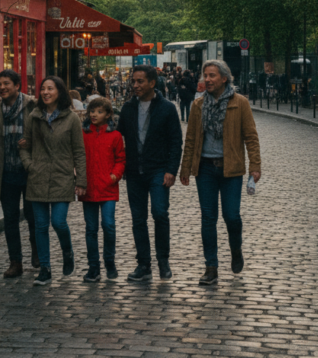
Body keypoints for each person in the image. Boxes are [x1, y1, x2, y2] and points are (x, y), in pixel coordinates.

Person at [180, 60, 262, 286]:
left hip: (231, 168)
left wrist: (255, 165)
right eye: (205, 75)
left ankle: (236, 249)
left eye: (212, 75)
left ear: (224, 78)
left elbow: (251, 137)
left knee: (231, 216)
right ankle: (211, 267)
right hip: (205, 168)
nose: (207, 79)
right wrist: (185, 167)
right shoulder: (198, 106)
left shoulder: (240, 103)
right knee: (208, 218)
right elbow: (191, 140)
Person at [117, 65, 183, 281]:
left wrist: (171, 170)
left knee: (160, 213)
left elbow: (176, 142)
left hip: (158, 170)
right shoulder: (127, 108)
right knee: (138, 218)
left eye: (140, 81)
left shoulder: (167, 108)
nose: (135, 85)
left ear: (152, 83)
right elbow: (118, 139)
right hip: (134, 172)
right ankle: (144, 264)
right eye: (133, 81)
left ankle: (163, 260)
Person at [20, 76, 87, 285]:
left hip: (62, 177)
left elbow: (79, 151)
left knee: (58, 222)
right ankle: (46, 268)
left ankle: (67, 252)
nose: (45, 92)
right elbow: (24, 145)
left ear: (60, 91)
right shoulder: (34, 116)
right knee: (40, 225)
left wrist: (81, 181)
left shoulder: (71, 118)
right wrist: (30, 165)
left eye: (50, 89)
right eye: (43, 89)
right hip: (37, 177)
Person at [0, 69, 38, 278]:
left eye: (7, 84)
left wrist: (32, 142)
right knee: (10, 219)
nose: (3, 88)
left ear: (17, 86)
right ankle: (15, 262)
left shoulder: (32, 106)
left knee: (34, 217)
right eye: (0, 84)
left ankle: (37, 253)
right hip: (6, 173)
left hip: (30, 172)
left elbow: (45, 132)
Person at [81, 97, 126, 282]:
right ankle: (93, 266)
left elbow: (121, 159)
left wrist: (114, 175)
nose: (94, 115)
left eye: (99, 112)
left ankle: (110, 261)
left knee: (108, 225)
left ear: (108, 115)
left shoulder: (115, 136)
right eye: (92, 111)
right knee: (91, 229)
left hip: (108, 188)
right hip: (89, 188)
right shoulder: (83, 134)